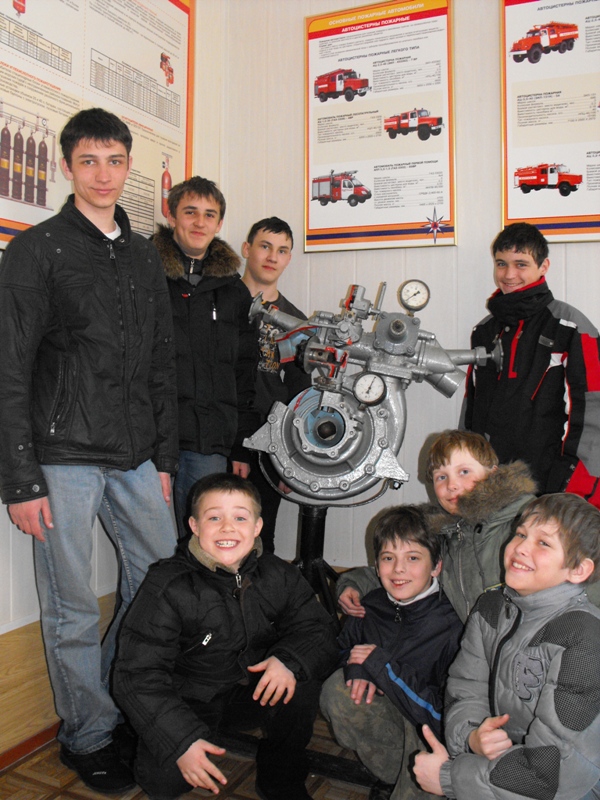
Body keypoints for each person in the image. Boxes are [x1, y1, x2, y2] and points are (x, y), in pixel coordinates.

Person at [0, 108, 178, 794]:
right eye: (89, 161)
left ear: (129, 166)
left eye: (115, 161)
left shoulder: (143, 254)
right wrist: (20, 479)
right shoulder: (36, 249)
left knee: (162, 584)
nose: (104, 175)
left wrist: (165, 459)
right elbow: (10, 368)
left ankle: (113, 695)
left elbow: (160, 361)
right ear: (67, 166)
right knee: (72, 604)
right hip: (62, 457)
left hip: (136, 455)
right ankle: (89, 734)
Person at [113, 473, 338, 800]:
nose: (227, 528)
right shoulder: (168, 585)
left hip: (253, 689)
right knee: (165, 780)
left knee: (301, 678)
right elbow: (135, 673)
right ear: (194, 525)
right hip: (190, 698)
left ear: (258, 527)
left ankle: (281, 777)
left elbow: (318, 628)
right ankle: (142, 737)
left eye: (240, 518)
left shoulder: (280, 574)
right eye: (214, 518)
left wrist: (288, 661)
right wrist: (181, 741)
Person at [413, 493, 600, 800]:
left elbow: (547, 776)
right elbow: (466, 687)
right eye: (521, 534)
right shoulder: (492, 608)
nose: (521, 548)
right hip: (507, 771)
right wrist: (473, 736)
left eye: (543, 543)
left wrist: (447, 778)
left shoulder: (584, 638)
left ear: (578, 569)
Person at [320, 506, 463, 800]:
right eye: (388, 558)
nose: (398, 569)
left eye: (413, 558)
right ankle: (392, 775)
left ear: (436, 566)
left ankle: (422, 786)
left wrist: (384, 670)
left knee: (423, 734)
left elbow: (446, 715)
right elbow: (341, 650)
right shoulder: (369, 606)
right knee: (337, 688)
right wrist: (358, 668)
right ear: (376, 566)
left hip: (431, 729)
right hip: (393, 721)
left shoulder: (452, 626)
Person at [461, 222, 600, 507]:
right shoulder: (484, 331)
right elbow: (471, 409)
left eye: (521, 264)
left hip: (551, 490)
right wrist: (464, 468)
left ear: (543, 266)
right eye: (501, 263)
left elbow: (593, 414)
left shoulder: (572, 328)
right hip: (489, 488)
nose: (509, 275)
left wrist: (571, 492)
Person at [337, 430, 537, 624]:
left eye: (464, 472)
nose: (452, 485)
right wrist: (354, 584)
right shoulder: (446, 535)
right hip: (478, 642)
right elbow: (406, 569)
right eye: (441, 477)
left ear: (493, 473)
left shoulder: (524, 523)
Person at [152, 176, 258, 537]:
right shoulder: (146, 277)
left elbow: (245, 371)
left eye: (209, 215)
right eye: (190, 212)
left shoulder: (234, 292)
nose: (200, 223)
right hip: (151, 440)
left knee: (203, 543)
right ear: (171, 216)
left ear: (219, 223)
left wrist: (241, 446)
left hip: (209, 443)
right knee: (153, 545)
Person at [240, 216, 311, 552]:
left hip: (268, 438)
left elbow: (300, 392)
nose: (272, 257)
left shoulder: (295, 322)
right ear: (247, 249)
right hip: (219, 434)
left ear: (289, 258)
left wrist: (290, 459)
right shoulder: (219, 303)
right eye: (265, 246)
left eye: (281, 250)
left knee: (260, 536)